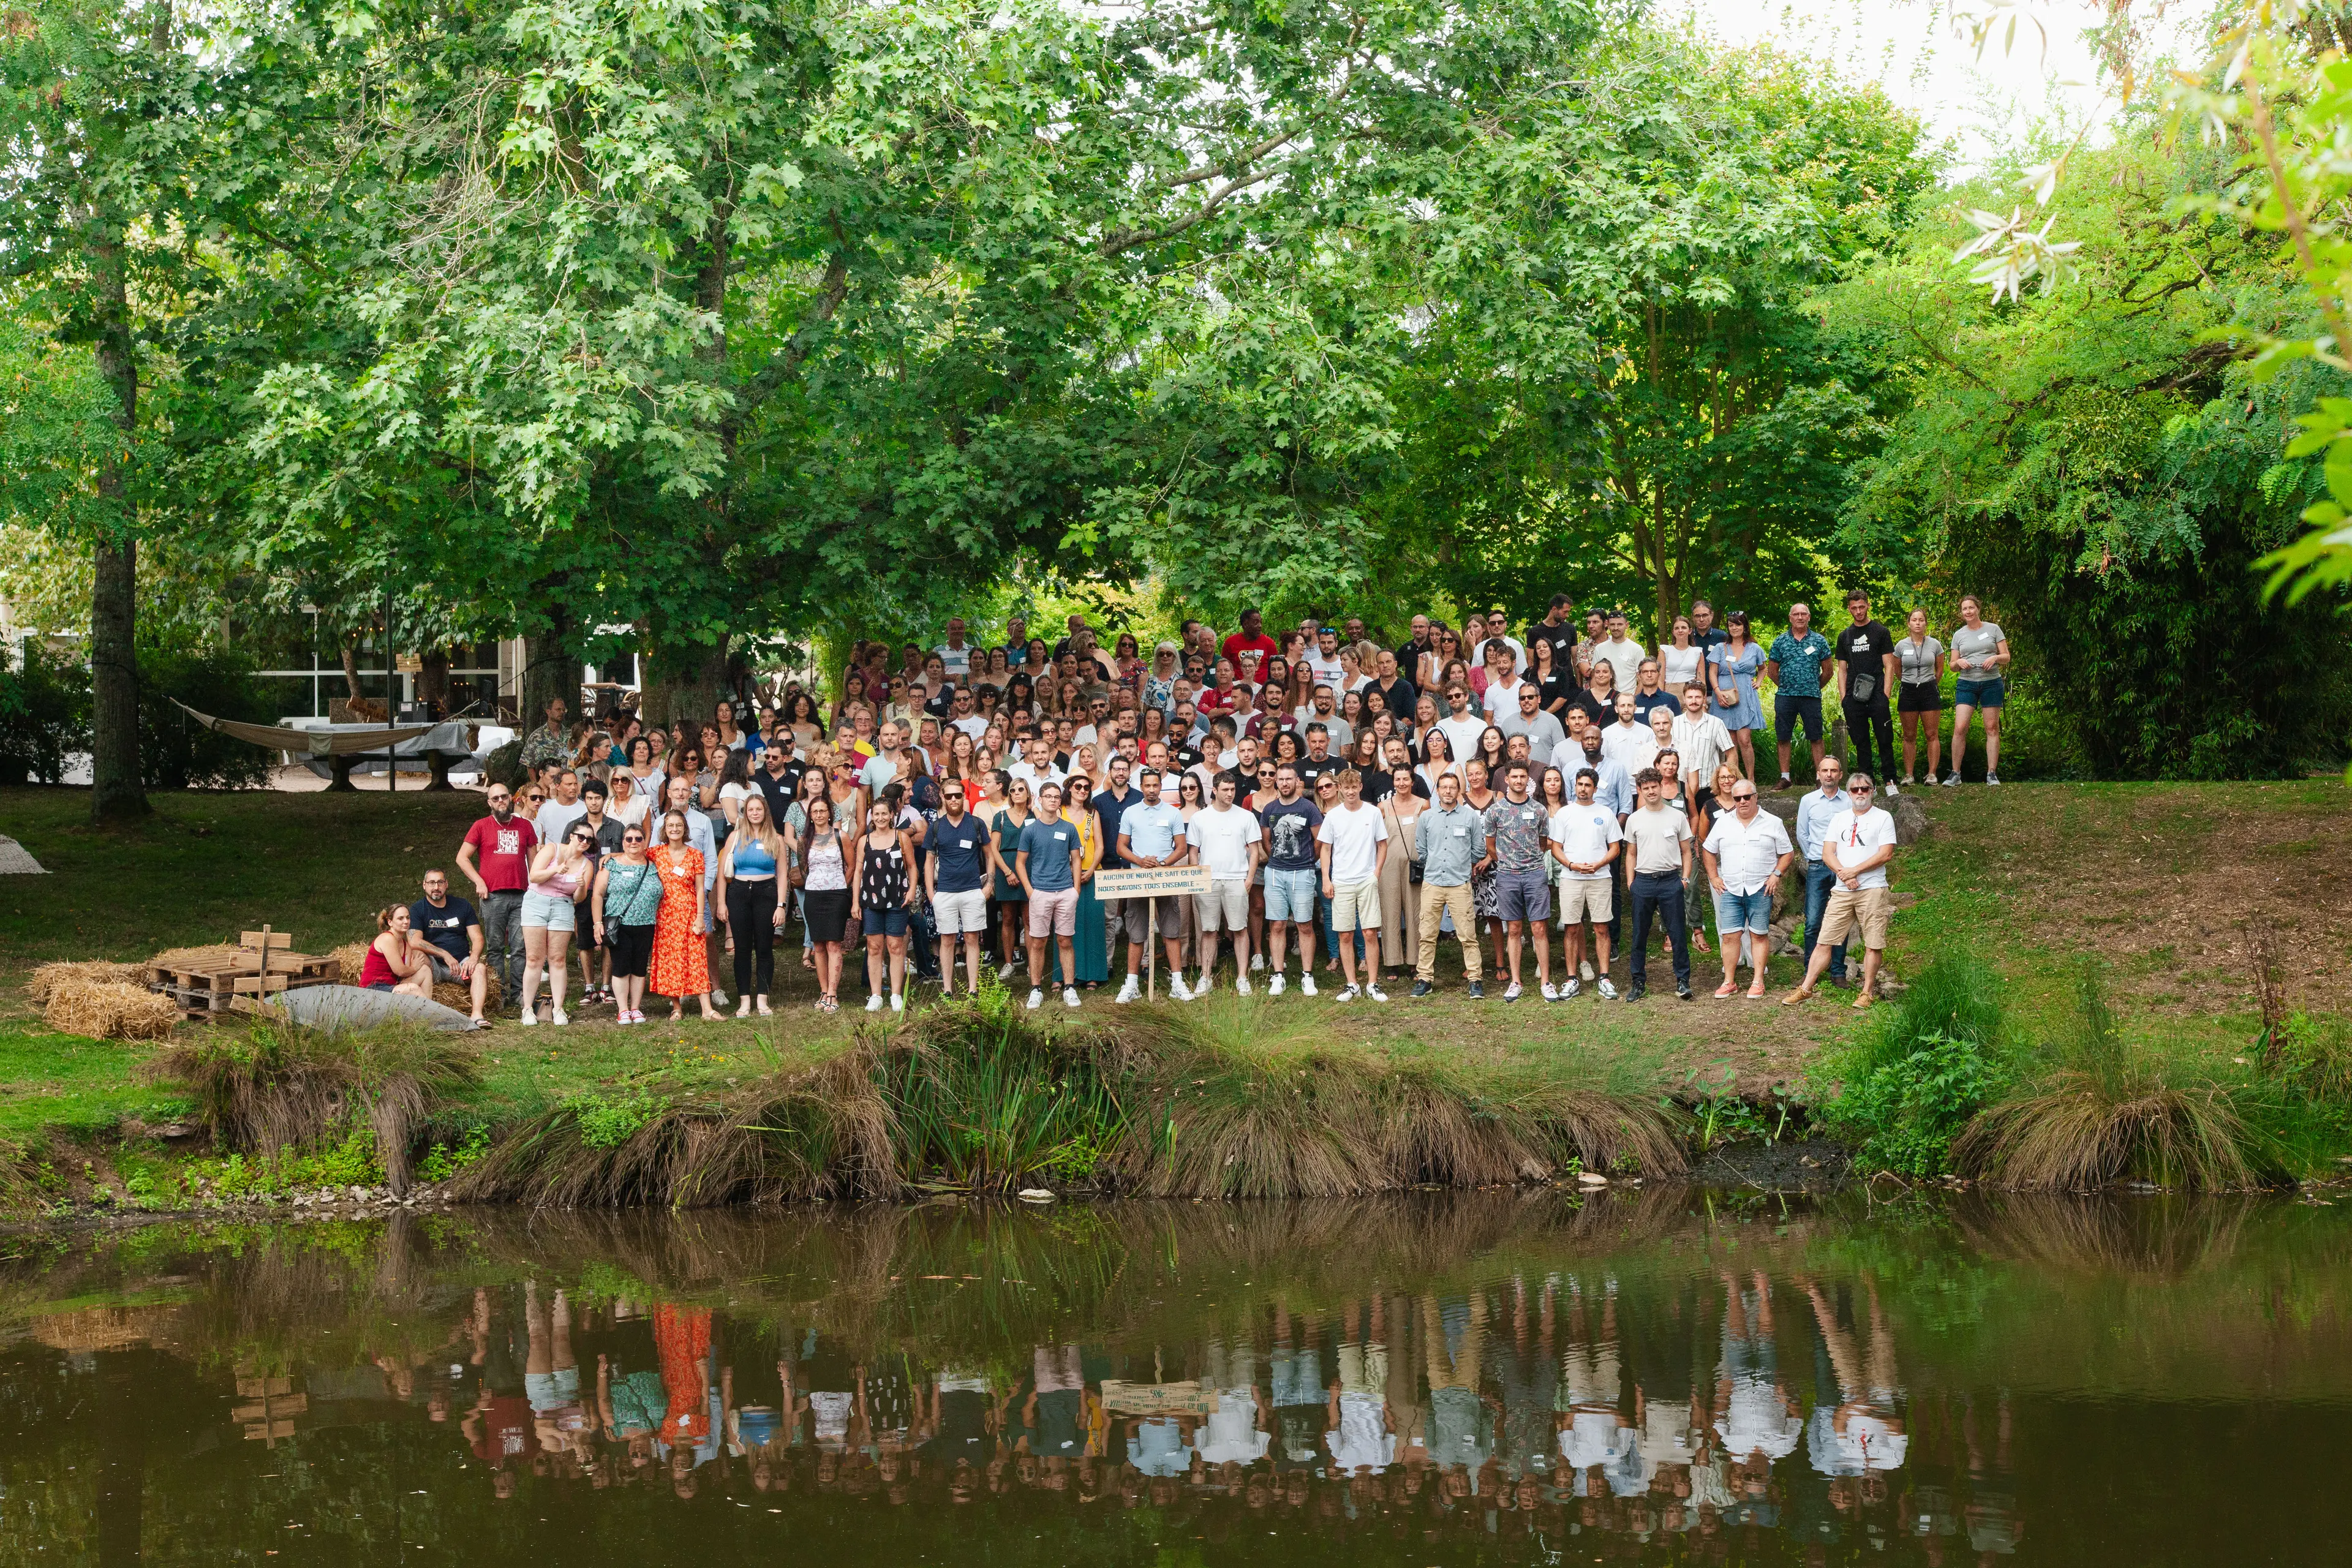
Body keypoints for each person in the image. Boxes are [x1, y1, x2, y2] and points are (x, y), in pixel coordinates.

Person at [1783, 772, 1898, 1009]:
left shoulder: (1883, 817)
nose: (1860, 794)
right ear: (1849, 793)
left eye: (1865, 789)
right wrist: (1845, 874)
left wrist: (1853, 871)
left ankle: (1866, 992)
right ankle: (1806, 988)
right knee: (1825, 940)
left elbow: (1886, 853)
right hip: (1843, 889)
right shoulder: (1840, 819)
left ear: (1873, 791)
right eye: (1855, 790)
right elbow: (1827, 854)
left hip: (1873, 888)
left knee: (1873, 943)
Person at [1702, 779, 1793, 998]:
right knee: (1730, 936)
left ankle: (1758, 981)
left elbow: (1787, 853)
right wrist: (1714, 877)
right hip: (1731, 888)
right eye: (1737, 798)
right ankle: (1729, 982)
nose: (1742, 802)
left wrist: (1776, 875)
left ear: (1756, 797)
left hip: (1760, 889)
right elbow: (1708, 849)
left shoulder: (1773, 822)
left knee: (1759, 935)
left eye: (1746, 797)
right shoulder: (1723, 823)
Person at [1112, 766, 1193, 1001]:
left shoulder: (1173, 813)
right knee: (1136, 933)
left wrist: (1165, 864)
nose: (1151, 790)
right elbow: (1121, 847)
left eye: (1155, 785)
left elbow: (1181, 847)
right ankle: (1132, 984)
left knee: (1171, 931)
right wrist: (1140, 861)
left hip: (1165, 877)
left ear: (1161, 786)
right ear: (1141, 786)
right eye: (1147, 785)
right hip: (1139, 878)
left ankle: (1177, 983)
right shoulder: (1130, 812)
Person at [1479, 758, 1554, 1001]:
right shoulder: (1495, 811)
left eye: (1523, 777)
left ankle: (1545, 981)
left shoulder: (1540, 810)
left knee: (1539, 928)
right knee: (1513, 929)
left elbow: (1543, 843)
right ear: (1507, 779)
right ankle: (1515, 981)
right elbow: (1490, 845)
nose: (1519, 781)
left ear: (1528, 780)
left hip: (1534, 874)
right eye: (1515, 777)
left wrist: (1529, 860)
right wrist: (1507, 862)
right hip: (1507, 876)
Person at [1316, 766, 1390, 1001]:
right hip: (1342, 881)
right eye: (1345, 788)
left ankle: (1373, 983)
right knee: (1345, 934)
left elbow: (1383, 844)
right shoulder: (1334, 816)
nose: (1350, 792)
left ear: (1360, 787)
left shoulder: (1372, 813)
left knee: (1369, 932)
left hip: (1366, 879)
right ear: (1340, 789)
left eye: (1353, 787)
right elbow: (1326, 849)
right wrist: (1327, 878)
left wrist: (1376, 873)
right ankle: (1351, 985)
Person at [1186, 770, 1262, 995]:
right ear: (1215, 791)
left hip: (1236, 879)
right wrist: (1196, 878)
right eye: (1226, 790)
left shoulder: (1245, 816)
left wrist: (1249, 879)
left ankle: (1242, 978)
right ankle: (1206, 977)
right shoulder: (1200, 818)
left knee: (1240, 928)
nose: (1230, 794)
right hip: (1207, 880)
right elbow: (1193, 852)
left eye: (1233, 790)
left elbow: (1255, 852)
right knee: (1209, 930)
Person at [1409, 771, 1484, 998]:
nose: (1448, 791)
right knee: (1427, 934)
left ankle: (1475, 980)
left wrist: (1461, 864)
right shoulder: (1427, 817)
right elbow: (1421, 849)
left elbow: (1479, 849)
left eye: (1453, 787)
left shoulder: (1470, 817)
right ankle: (1424, 978)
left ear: (1458, 791)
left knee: (1468, 935)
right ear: (1438, 791)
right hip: (1432, 883)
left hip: (1459, 883)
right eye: (1444, 787)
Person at [1622, 767, 1694, 1003]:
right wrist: (1631, 882)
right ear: (1640, 791)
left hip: (1670, 881)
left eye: (1655, 786)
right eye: (1646, 788)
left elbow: (1686, 851)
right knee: (1639, 935)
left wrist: (1684, 879)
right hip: (1643, 882)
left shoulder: (1677, 817)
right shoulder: (1634, 819)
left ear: (1661, 787)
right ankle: (1638, 982)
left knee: (1677, 934)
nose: (1651, 791)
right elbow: (1631, 853)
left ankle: (1683, 981)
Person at [1548, 767, 1621, 1000]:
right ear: (1575, 786)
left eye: (1588, 785)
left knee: (1602, 928)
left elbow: (1616, 848)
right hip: (1571, 878)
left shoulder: (1606, 813)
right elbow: (1555, 847)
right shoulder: (1564, 814)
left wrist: (1600, 864)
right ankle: (1571, 979)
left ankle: (1604, 978)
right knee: (1571, 927)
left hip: (1600, 877)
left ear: (1595, 789)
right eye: (1580, 784)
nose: (1583, 789)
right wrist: (1571, 865)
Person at [716, 792, 788, 1017]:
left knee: (765, 948)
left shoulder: (776, 839)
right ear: (745, 814)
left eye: (759, 809)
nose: (755, 813)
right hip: (738, 894)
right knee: (743, 949)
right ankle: (744, 1000)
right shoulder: (735, 837)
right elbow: (722, 874)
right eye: (750, 810)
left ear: (765, 811)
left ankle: (763, 999)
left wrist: (781, 905)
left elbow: (783, 875)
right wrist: (721, 903)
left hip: (766, 893)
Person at [1016, 780, 1085, 1010]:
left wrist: (1075, 890)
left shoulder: (1068, 828)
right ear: (1040, 799)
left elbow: (1076, 859)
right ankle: (1036, 989)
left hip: (1065, 891)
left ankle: (1069, 987)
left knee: (1065, 940)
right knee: (1038, 942)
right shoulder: (1031, 830)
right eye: (1049, 796)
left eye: (1057, 797)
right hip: (1040, 892)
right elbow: (1020, 863)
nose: (1053, 800)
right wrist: (1030, 891)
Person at [925, 778, 998, 998]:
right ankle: (947, 989)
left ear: (964, 797)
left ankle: (973, 989)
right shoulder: (936, 826)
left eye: (958, 795)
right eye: (949, 796)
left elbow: (989, 854)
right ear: (942, 798)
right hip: (945, 892)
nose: (954, 800)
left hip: (972, 890)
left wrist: (989, 885)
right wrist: (931, 894)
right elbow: (929, 861)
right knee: (947, 940)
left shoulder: (976, 823)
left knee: (972, 939)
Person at [520, 818, 596, 1026]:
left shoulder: (587, 865)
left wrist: (581, 886)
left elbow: (579, 898)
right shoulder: (552, 849)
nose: (584, 842)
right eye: (581, 837)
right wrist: (556, 870)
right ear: (571, 836)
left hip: (563, 906)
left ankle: (558, 1009)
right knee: (534, 959)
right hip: (537, 902)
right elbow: (534, 876)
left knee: (558, 959)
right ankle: (527, 1009)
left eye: (589, 840)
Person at [1259, 761, 1324, 998]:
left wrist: (1307, 860)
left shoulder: (1309, 808)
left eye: (1289, 779)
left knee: (1304, 925)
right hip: (1275, 872)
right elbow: (1266, 842)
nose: (1285, 783)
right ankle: (1278, 975)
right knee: (1276, 925)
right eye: (1281, 779)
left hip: (1302, 872)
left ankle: (1307, 975)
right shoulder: (1270, 810)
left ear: (1297, 782)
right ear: (1276, 781)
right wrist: (1277, 858)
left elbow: (1320, 840)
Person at [647, 809, 718, 1021]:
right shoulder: (656, 853)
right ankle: (676, 1007)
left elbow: (699, 889)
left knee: (697, 959)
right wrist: (610, 857)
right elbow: (632, 854)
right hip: (666, 915)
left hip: (689, 912)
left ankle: (707, 1009)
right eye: (671, 826)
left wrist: (700, 916)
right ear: (665, 829)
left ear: (685, 828)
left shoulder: (695, 855)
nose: (675, 829)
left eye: (679, 825)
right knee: (671, 960)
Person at [849, 796, 918, 1013]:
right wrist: (855, 901)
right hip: (871, 900)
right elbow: (858, 872)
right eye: (876, 814)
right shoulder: (864, 841)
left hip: (897, 898)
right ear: (872, 817)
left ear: (891, 816)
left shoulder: (901, 837)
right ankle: (876, 994)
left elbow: (912, 867)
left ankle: (896, 995)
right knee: (874, 947)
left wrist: (912, 889)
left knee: (896, 947)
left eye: (884, 814)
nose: (880, 818)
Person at [1791, 754, 1852, 991]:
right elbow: (1802, 834)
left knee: (1841, 921)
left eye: (1833, 771)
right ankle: (1810, 971)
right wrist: (1813, 857)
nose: (1829, 775)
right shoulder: (1808, 801)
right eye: (1824, 770)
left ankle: (1838, 972)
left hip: (1843, 868)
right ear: (1818, 774)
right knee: (1813, 922)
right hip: (1817, 867)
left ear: (1840, 774)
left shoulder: (1849, 801)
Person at [593, 823, 664, 1025]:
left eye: (638, 839)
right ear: (623, 843)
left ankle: (636, 1008)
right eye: (629, 839)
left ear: (645, 842)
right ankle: (623, 1009)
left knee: (640, 967)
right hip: (619, 924)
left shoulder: (654, 865)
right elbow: (597, 895)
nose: (634, 842)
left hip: (647, 923)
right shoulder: (612, 865)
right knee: (622, 967)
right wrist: (598, 922)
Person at [1833, 589, 1900, 793]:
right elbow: (1842, 669)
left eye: (1862, 607)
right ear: (1849, 609)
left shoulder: (1881, 632)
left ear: (1868, 605)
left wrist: (1886, 695)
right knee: (1861, 741)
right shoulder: (1845, 636)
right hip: (1853, 696)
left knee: (1885, 738)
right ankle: (1868, 782)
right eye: (1854, 608)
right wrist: (1844, 697)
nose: (1859, 611)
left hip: (1878, 694)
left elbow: (1889, 666)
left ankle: (1890, 780)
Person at [1049, 770, 1109, 991]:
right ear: (1069, 788)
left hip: (1091, 872)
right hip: (1064, 874)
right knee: (1064, 926)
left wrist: (1092, 869)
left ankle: (1093, 974)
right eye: (1078, 787)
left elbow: (1100, 845)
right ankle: (1062, 974)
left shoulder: (1093, 813)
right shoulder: (1059, 811)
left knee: (1093, 924)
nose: (1083, 791)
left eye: (1086, 787)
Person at [794, 796, 853, 1012]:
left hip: (836, 895)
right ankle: (823, 990)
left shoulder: (841, 836)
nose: (819, 815)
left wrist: (841, 888)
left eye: (823, 811)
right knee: (818, 944)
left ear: (830, 813)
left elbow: (851, 865)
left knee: (834, 944)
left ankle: (833, 992)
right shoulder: (804, 840)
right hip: (814, 895)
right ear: (810, 815)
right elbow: (803, 869)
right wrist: (816, 883)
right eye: (815, 811)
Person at [1765, 603, 1833, 788]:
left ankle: (1820, 778)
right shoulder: (1780, 641)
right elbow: (1772, 672)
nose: (1800, 617)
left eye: (1804, 614)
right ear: (1790, 618)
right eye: (1796, 614)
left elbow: (1828, 672)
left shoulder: (1819, 641)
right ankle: (1785, 777)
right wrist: (1788, 685)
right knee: (1783, 736)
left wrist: (1812, 686)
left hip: (1811, 697)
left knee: (1816, 737)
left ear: (1809, 617)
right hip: (1786, 696)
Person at [1945, 594, 2010, 786]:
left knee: (1991, 728)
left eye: (1971, 608)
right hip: (1967, 683)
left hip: (1991, 683)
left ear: (1978, 609)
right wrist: (1959, 662)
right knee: (1960, 727)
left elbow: (2006, 656)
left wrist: (1995, 659)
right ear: (1961, 612)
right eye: (1964, 609)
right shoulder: (1959, 635)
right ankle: (1955, 774)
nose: (1968, 612)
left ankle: (1992, 774)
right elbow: (1952, 665)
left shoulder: (1993, 629)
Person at [410, 868, 487, 1022]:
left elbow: (478, 938)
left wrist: (473, 959)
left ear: (446, 884)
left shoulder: (462, 906)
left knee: (480, 968)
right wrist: (444, 954)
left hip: (461, 965)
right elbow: (414, 941)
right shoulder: (418, 909)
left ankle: (477, 1015)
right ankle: (424, 1013)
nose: (436, 887)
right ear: (424, 886)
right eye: (432, 883)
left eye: (440, 882)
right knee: (416, 955)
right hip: (434, 966)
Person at [1376, 763, 1426, 986]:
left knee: (1416, 911)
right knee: (1390, 911)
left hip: (1415, 866)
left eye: (1406, 779)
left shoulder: (1423, 805)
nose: (1402, 784)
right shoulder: (1383, 807)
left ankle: (1416, 962)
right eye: (1398, 780)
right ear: (1393, 782)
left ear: (1413, 781)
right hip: (1388, 866)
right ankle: (1392, 961)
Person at [1708, 609, 1766, 782]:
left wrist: (1759, 682)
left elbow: (1763, 668)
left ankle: (1750, 779)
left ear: (1745, 626)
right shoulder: (1721, 648)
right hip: (1724, 697)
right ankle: (1732, 780)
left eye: (1738, 624)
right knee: (1729, 743)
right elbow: (1712, 672)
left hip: (1745, 696)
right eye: (1731, 625)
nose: (1734, 628)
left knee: (1745, 739)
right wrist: (1717, 692)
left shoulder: (1754, 648)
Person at [1894, 606, 1947, 786]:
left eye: (1921, 620)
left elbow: (1940, 669)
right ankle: (1909, 775)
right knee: (1909, 735)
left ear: (1925, 623)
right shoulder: (1901, 646)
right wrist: (1909, 682)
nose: (1918, 623)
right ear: (1909, 623)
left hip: (1929, 690)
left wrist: (1931, 683)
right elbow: (1897, 670)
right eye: (1914, 620)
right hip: (1908, 691)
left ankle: (1932, 774)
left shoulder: (1935, 644)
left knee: (1931, 734)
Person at [989, 775, 1034, 982]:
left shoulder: (1034, 815)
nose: (1017, 793)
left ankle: (1033, 962)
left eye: (1021, 790)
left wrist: (1034, 806)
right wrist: (1007, 872)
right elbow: (993, 848)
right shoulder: (1001, 817)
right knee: (1007, 918)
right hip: (1006, 868)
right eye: (1013, 790)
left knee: (1029, 919)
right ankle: (1008, 963)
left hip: (1029, 867)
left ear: (1028, 793)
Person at [1670, 683, 1735, 815]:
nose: (1694, 701)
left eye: (1698, 697)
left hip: (1709, 788)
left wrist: (1728, 780)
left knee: (1712, 830)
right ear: (1684, 698)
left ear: (1704, 698)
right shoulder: (1674, 724)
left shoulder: (1715, 723)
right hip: (1680, 787)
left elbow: (1731, 753)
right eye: (1690, 697)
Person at [358, 905, 439, 1000]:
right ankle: (432, 1012)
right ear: (390, 922)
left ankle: (425, 1010)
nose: (406, 922)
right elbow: (400, 971)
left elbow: (405, 977)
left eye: (408, 918)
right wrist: (414, 968)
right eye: (401, 919)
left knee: (425, 970)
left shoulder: (406, 946)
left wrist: (413, 970)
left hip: (391, 988)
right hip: (373, 989)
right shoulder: (387, 938)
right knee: (413, 989)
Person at [1494, 681, 1566, 767]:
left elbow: (1561, 752)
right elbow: (1502, 753)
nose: (1526, 701)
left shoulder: (1552, 721)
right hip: (1516, 776)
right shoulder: (1508, 723)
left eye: (1531, 697)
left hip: (1545, 776)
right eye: (1523, 698)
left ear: (1539, 699)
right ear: (1519, 701)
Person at [1591, 611, 1645, 693]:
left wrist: (1634, 700)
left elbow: (1642, 679)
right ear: (1607, 625)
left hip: (1628, 699)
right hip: (1605, 700)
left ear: (1627, 625)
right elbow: (1595, 678)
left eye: (1620, 624)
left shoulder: (1637, 649)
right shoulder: (1600, 649)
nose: (1616, 628)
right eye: (1613, 625)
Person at [1658, 616, 1704, 701]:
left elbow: (1702, 680)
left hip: (1691, 692)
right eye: (1677, 628)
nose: (1680, 631)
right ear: (1673, 632)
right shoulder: (1665, 650)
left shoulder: (1698, 652)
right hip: (1670, 692)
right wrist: (1660, 699)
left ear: (1690, 631)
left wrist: (1704, 704)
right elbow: (1660, 679)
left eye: (1684, 628)